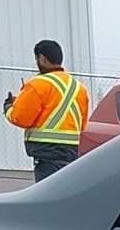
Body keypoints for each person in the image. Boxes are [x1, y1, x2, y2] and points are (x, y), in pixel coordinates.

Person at [5, 40, 90, 181]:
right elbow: (82, 124)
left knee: (47, 194)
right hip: (71, 151)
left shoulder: (37, 84)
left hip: (46, 152)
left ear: (42, 58)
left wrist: (8, 107)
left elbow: (21, 118)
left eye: (37, 58)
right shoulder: (79, 87)